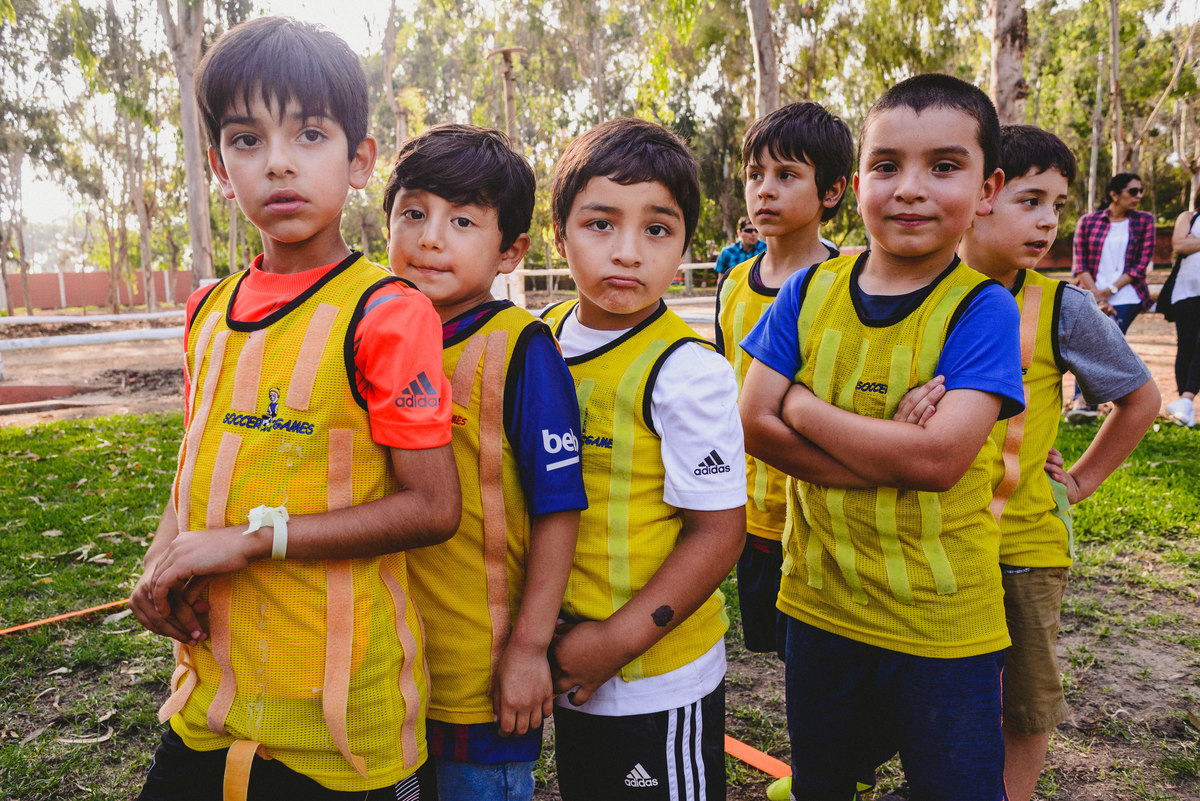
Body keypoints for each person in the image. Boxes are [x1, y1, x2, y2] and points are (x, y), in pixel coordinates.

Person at [128, 17, 459, 801]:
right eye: (246, 140)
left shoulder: (386, 311)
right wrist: (161, 558)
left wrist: (252, 541)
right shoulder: (207, 310)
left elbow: (433, 506)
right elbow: (197, 461)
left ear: (358, 161)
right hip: (208, 701)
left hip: (343, 729)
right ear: (217, 164)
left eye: (309, 134)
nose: (277, 162)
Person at [739, 73, 1025, 800]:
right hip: (819, 606)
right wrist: (881, 449)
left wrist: (802, 407)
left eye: (945, 166)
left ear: (987, 187)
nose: (911, 188)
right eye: (888, 165)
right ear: (857, 181)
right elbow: (750, 421)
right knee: (824, 784)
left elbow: (936, 459)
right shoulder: (810, 292)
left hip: (943, 623)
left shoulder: (982, 310)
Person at [540, 117, 746, 801]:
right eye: (601, 224)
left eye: (656, 229)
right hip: (563, 664)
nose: (628, 252)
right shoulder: (536, 342)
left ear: (687, 243)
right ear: (558, 232)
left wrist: (612, 642)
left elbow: (718, 532)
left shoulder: (687, 371)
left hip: (655, 678)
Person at [382, 123, 587, 800]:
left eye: (462, 219)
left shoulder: (520, 349)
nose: (431, 237)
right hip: (383, 664)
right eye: (413, 213)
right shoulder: (372, 338)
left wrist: (528, 648)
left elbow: (560, 507)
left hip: (481, 670)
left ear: (510, 251)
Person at [956, 124, 1159, 801]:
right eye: (1030, 200)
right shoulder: (922, 291)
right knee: (942, 681)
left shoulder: (1060, 307)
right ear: (981, 194)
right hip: (936, 543)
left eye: (1059, 205)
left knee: (1026, 695)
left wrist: (1082, 480)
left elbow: (1140, 399)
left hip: (1025, 545)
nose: (1048, 221)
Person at [714, 101, 853, 663]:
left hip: (826, 513)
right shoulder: (733, 285)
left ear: (833, 191)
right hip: (750, 514)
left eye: (787, 175)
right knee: (772, 653)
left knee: (823, 658)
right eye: (755, 175)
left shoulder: (850, 284)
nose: (764, 191)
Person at [1066, 172, 1156, 422]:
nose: (1139, 196)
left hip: (1127, 294)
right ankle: (1086, 404)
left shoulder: (1145, 221)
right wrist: (1096, 296)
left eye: (1140, 191)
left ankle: (1087, 403)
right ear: (1114, 195)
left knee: (1106, 341)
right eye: (1133, 191)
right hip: (1090, 292)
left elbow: (1140, 265)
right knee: (1087, 343)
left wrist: (1110, 291)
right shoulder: (1088, 221)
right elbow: (1080, 263)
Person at [1165, 193, 1200, 426]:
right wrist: (1186, 244)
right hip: (1186, 291)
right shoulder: (1188, 217)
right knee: (1186, 344)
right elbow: (1179, 244)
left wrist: (1193, 243)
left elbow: (1188, 244)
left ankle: (1187, 399)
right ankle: (1183, 406)